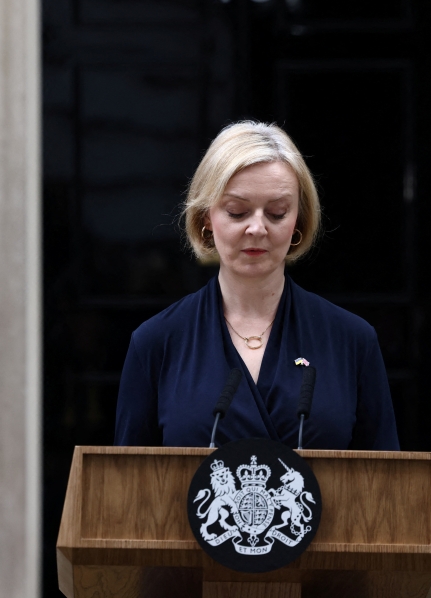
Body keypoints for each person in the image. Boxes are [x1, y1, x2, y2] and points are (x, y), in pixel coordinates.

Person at [114, 121, 399, 450]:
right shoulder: (156, 342)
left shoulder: (352, 340)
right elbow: (127, 489)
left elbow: (387, 486)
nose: (257, 228)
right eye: (237, 212)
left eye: (277, 213)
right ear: (207, 218)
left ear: (298, 221)